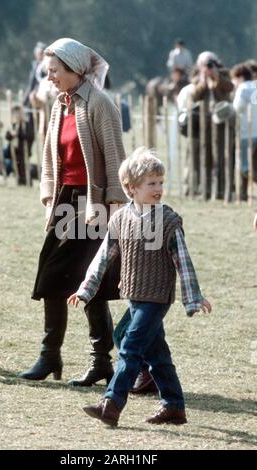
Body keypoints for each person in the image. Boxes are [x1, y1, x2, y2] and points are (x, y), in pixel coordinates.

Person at [68, 147, 212, 427]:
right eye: (151, 183)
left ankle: (111, 404)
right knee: (147, 347)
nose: (158, 188)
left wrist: (193, 298)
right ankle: (174, 406)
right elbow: (103, 258)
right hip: (134, 295)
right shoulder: (120, 219)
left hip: (156, 298)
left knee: (131, 346)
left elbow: (184, 261)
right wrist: (86, 289)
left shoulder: (168, 221)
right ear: (131, 188)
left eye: (161, 182)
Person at [19, 38, 128, 385]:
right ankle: (51, 357)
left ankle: (99, 362)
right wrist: (49, 197)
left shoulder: (100, 104)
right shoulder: (58, 105)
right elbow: (52, 157)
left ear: (75, 69)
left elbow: (115, 159)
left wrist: (112, 207)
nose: (49, 77)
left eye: (54, 71)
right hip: (65, 201)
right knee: (53, 277)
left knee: (89, 281)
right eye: (47, 70)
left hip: (92, 204)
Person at [191, 51, 234, 198]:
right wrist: (203, 81)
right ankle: (206, 190)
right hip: (205, 124)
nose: (208, 67)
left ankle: (222, 190)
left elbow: (229, 88)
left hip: (222, 123)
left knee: (222, 156)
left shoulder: (224, 74)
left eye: (211, 63)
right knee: (205, 156)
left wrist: (217, 78)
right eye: (205, 64)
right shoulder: (198, 77)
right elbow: (194, 95)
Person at [231, 63, 257, 200]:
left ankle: (243, 194)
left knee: (244, 165)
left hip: (246, 133)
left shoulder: (242, 89)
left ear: (240, 77)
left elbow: (237, 108)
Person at [5, 105, 35, 185]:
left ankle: (27, 182)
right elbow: (7, 136)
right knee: (16, 168)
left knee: (24, 168)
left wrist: (18, 134)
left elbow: (30, 136)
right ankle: (19, 181)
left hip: (23, 150)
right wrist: (11, 134)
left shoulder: (27, 124)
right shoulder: (13, 125)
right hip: (14, 150)